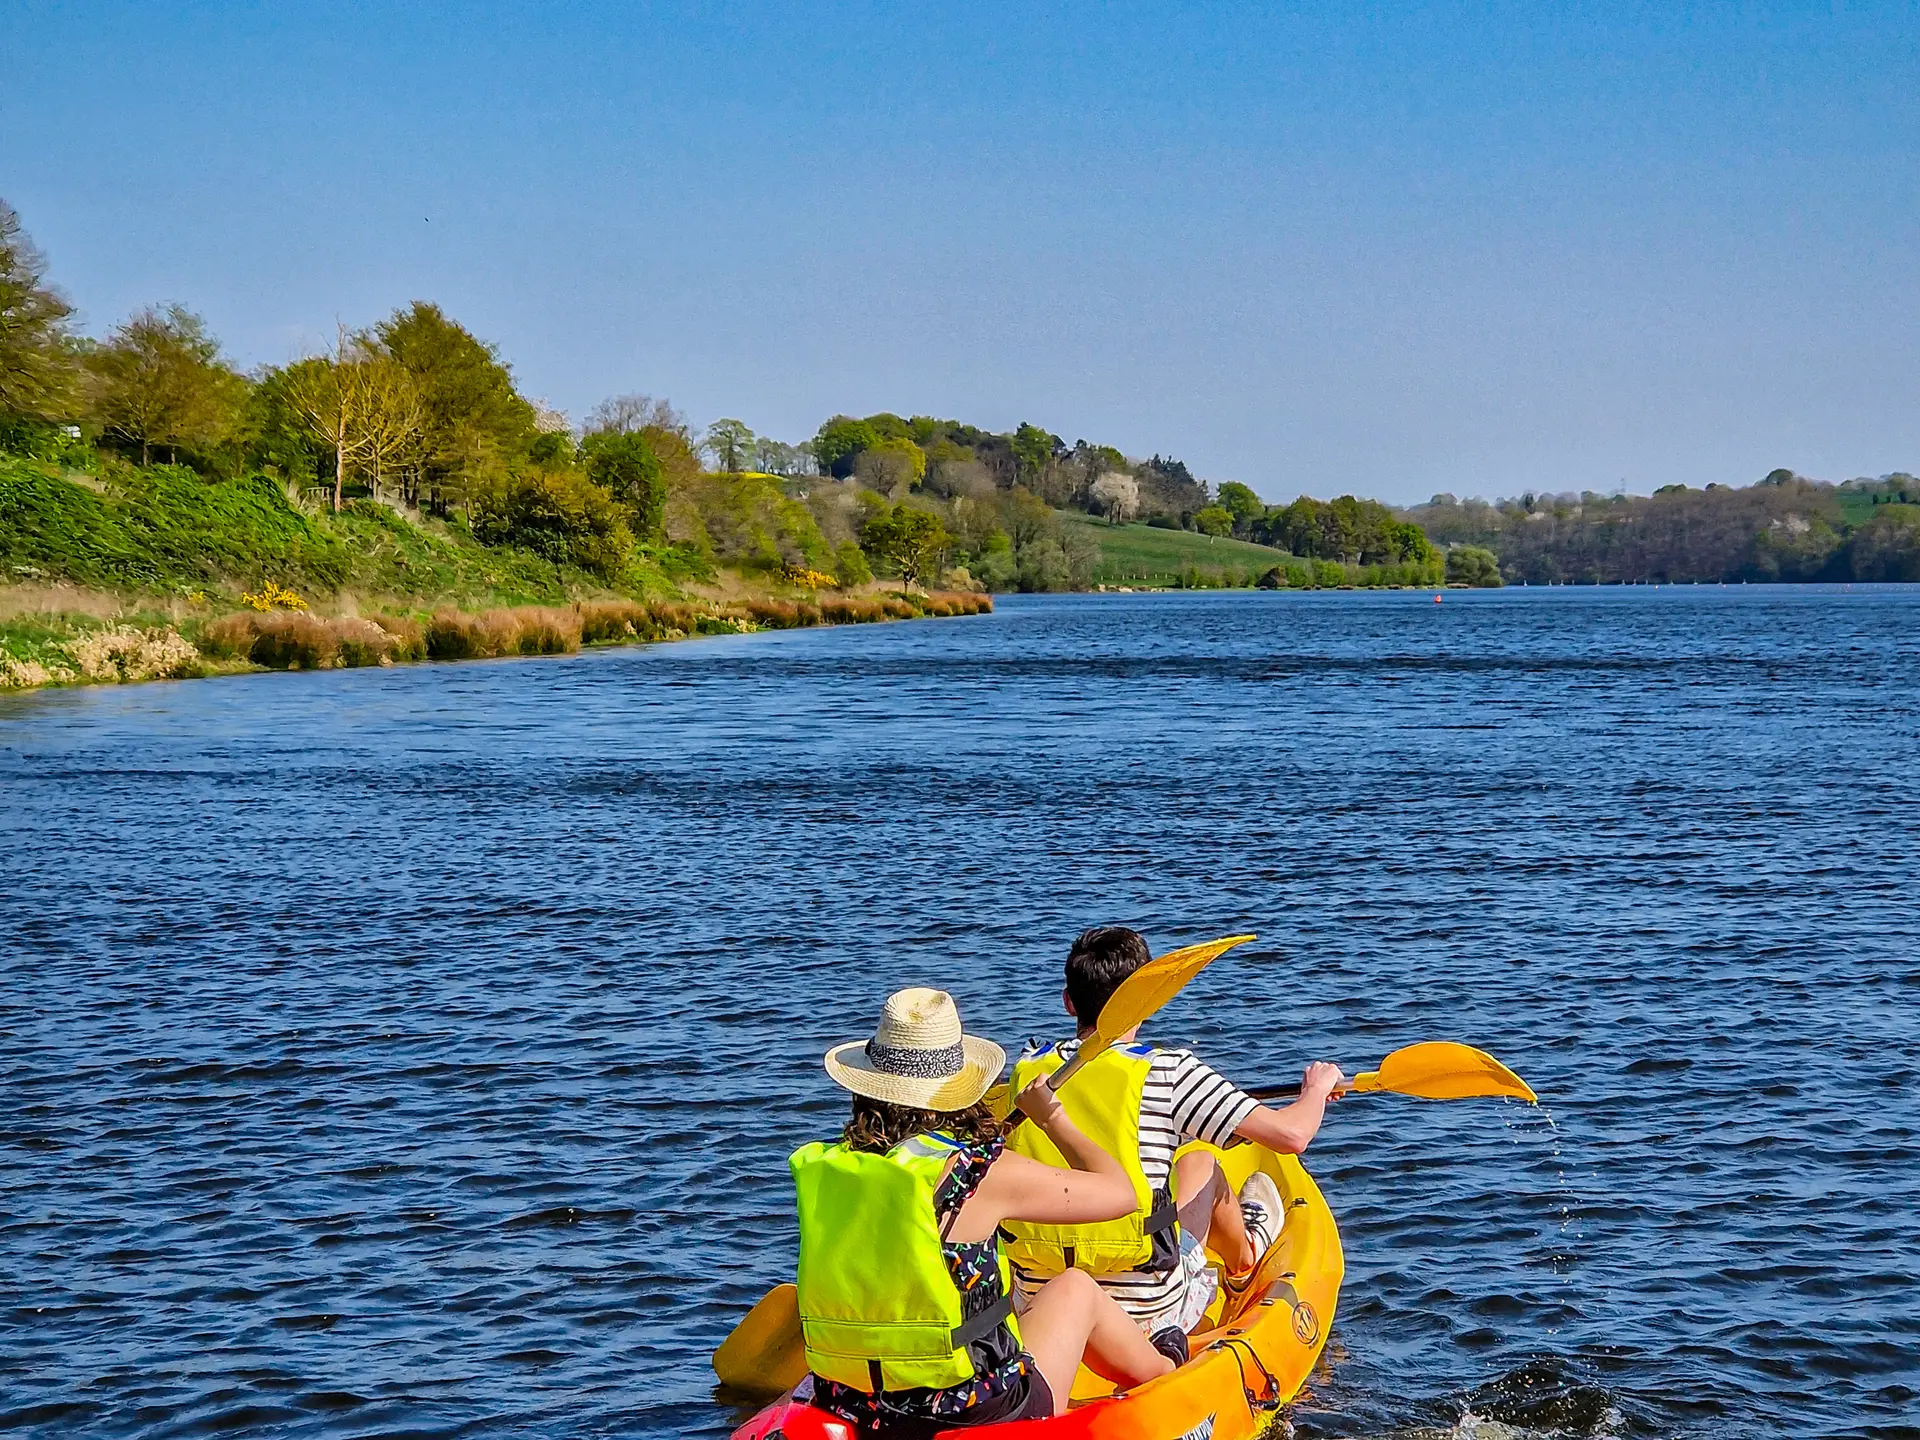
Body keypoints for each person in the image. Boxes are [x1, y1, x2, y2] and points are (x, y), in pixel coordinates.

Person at [791, 986, 1176, 1438]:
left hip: (856, 1400)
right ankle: (1168, 1370)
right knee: (1074, 1288)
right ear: (956, 1085)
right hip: (975, 1410)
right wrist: (1053, 1118)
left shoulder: (830, 1166)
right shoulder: (979, 1173)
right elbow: (1122, 1193)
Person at [1001, 926, 1345, 1355]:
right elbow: (1291, 1135)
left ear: (1069, 1001)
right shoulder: (1168, 1071)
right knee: (1202, 1162)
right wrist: (1316, 1088)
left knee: (1192, 1159)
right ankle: (1244, 1260)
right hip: (1144, 1307)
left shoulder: (1027, 1068)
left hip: (1039, 1296)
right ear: (1146, 1001)